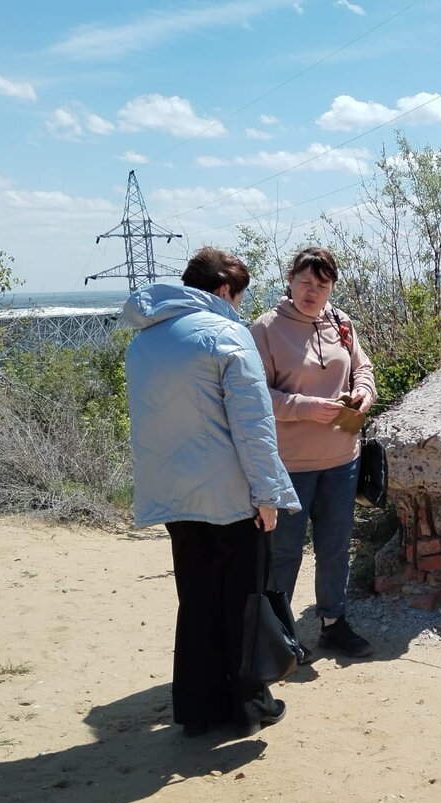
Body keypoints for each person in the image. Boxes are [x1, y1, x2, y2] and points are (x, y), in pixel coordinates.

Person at [124, 247, 302, 738]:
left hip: (174, 496)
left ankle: (197, 710)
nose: (241, 306)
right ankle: (249, 706)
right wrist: (269, 497)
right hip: (231, 496)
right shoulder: (226, 335)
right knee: (243, 600)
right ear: (225, 290)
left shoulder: (144, 341)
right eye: (240, 296)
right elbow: (253, 426)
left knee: (198, 601)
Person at [249, 246, 376, 657]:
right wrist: (306, 408)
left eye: (321, 285)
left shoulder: (341, 322)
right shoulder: (265, 329)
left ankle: (333, 623)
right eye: (305, 282)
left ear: (331, 287)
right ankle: (281, 638)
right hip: (290, 464)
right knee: (283, 552)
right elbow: (255, 396)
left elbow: (364, 368)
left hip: (343, 459)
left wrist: (364, 393)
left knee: (336, 546)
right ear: (290, 280)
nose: (312, 291)